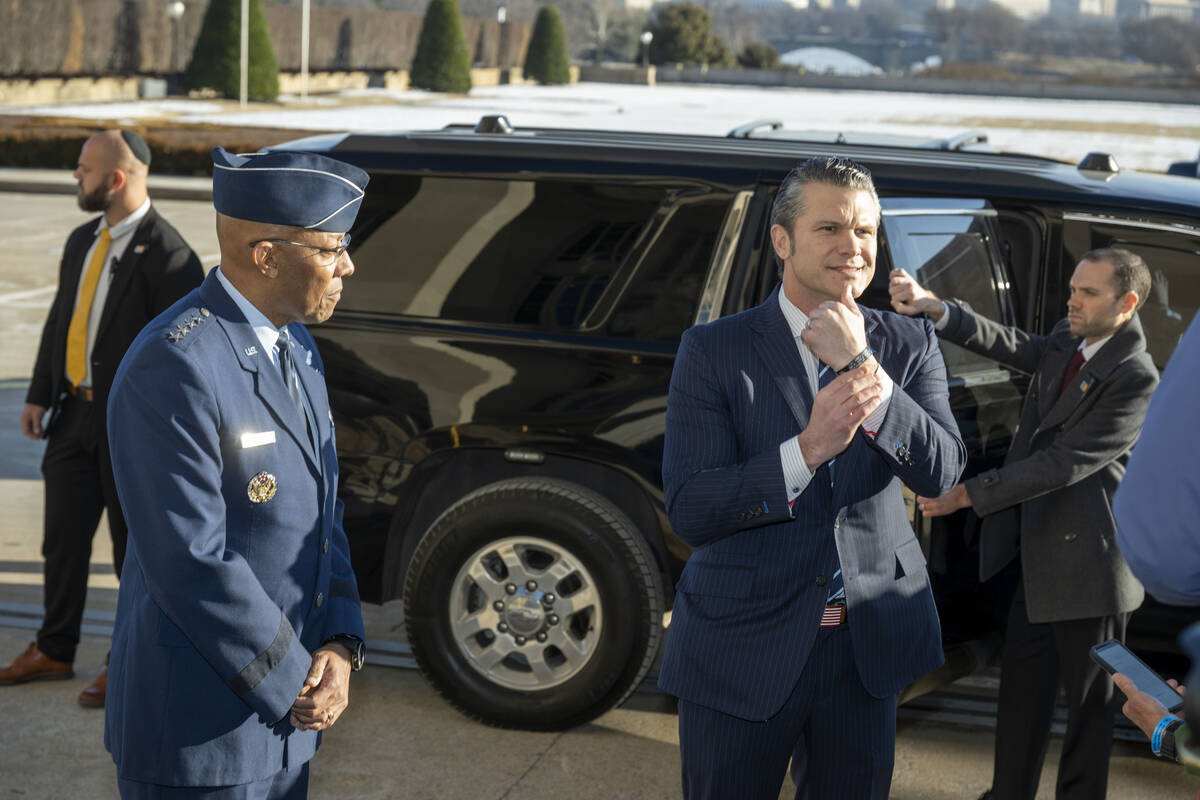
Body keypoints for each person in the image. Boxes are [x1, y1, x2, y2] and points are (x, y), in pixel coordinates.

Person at [659, 156, 966, 799]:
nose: (852, 248)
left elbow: (940, 472)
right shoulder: (713, 349)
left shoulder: (909, 346)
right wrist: (806, 450)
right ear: (782, 240)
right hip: (741, 645)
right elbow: (691, 507)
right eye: (830, 229)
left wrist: (861, 368)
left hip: (866, 652)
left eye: (865, 232)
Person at [103, 147, 368, 798]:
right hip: (201, 734)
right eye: (331, 249)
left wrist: (338, 642)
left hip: (288, 726)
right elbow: (190, 560)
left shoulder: (297, 346)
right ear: (267, 255)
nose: (347, 266)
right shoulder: (176, 366)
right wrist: (295, 678)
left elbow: (322, 518)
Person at [889, 248, 1157, 800]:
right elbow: (1018, 346)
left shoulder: (1134, 376)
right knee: (1021, 700)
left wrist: (971, 493)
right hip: (1037, 558)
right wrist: (938, 309)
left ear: (1126, 304)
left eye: (1088, 293)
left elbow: (1064, 463)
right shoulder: (1071, 336)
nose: (1072, 300)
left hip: (1091, 569)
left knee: (1089, 715)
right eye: (1073, 288)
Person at [0, 130, 203, 707]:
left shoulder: (171, 256)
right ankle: (53, 648)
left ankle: (126, 661)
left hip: (130, 432)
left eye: (85, 169)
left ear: (116, 180)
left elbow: (181, 360)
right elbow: (61, 321)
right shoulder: (81, 240)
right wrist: (41, 394)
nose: (75, 176)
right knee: (61, 543)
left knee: (129, 553)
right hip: (73, 417)